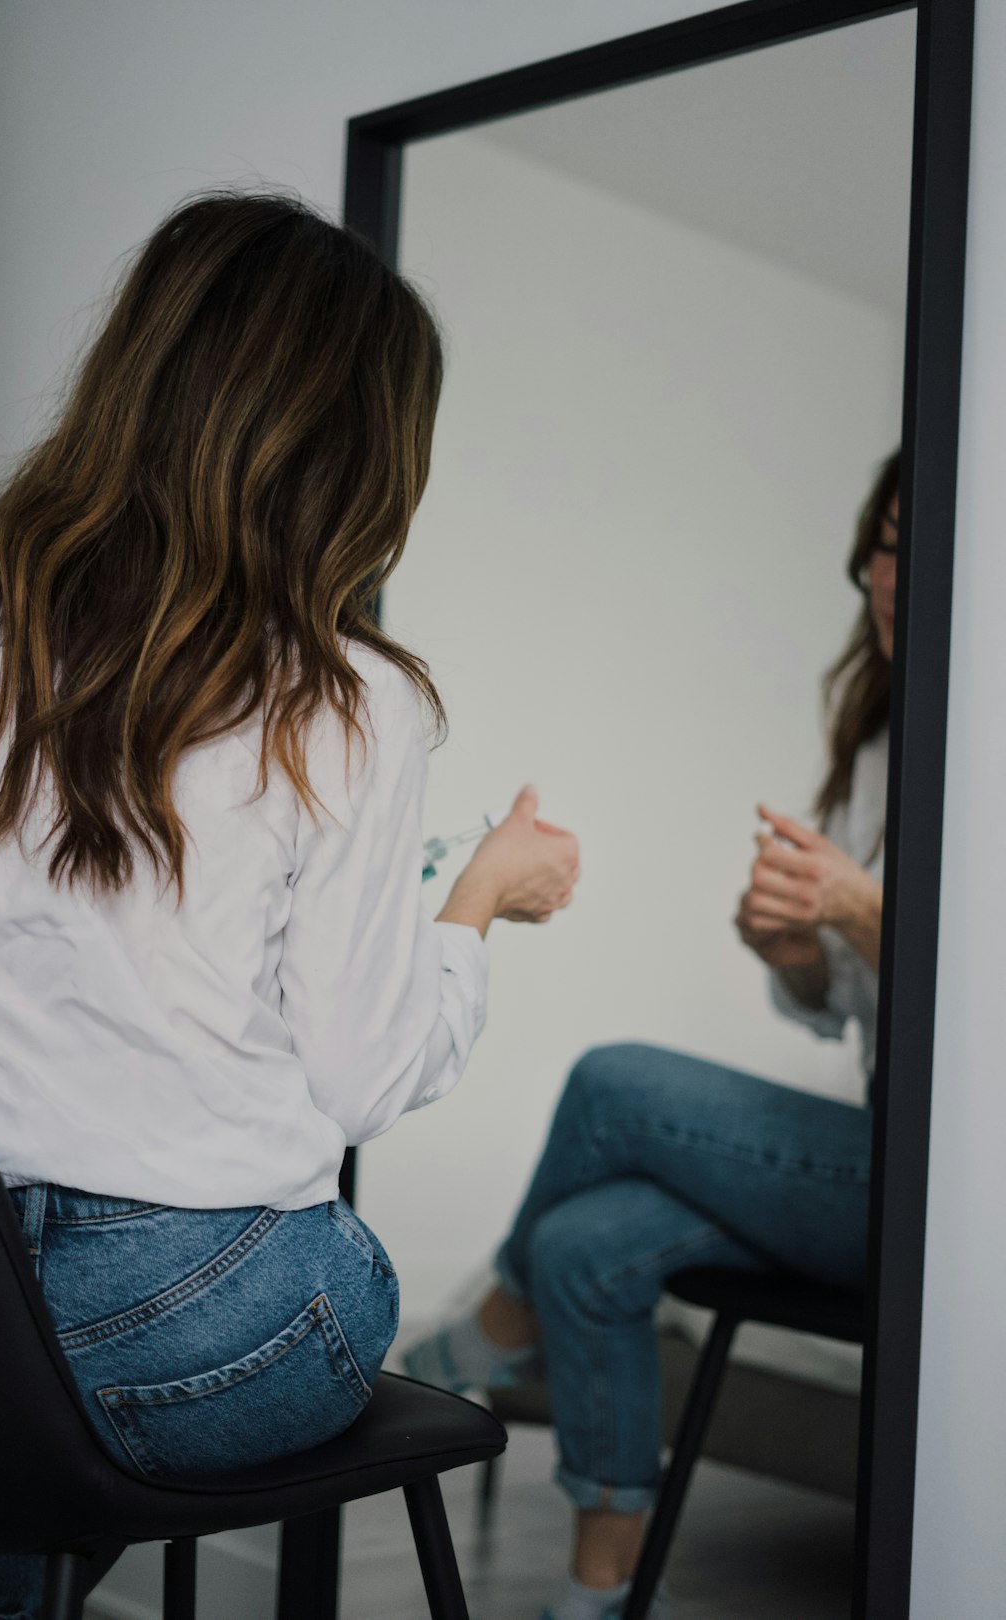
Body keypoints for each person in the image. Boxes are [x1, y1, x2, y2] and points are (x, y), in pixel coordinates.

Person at [0, 192, 580, 1620]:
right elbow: (364, 1078)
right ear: (357, 451)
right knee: (340, 1264)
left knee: (29, 1396)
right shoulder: (349, 704)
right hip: (183, 1327)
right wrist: (471, 906)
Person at [404, 449, 901, 1620]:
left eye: (922, 549)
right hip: (877, 1150)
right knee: (585, 1241)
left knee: (615, 1083)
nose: (891, 576)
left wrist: (863, 910)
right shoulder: (881, 744)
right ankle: (605, 1596)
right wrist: (798, 953)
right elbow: (840, 1005)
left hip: (953, 1198)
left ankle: (492, 1327)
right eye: (882, 544)